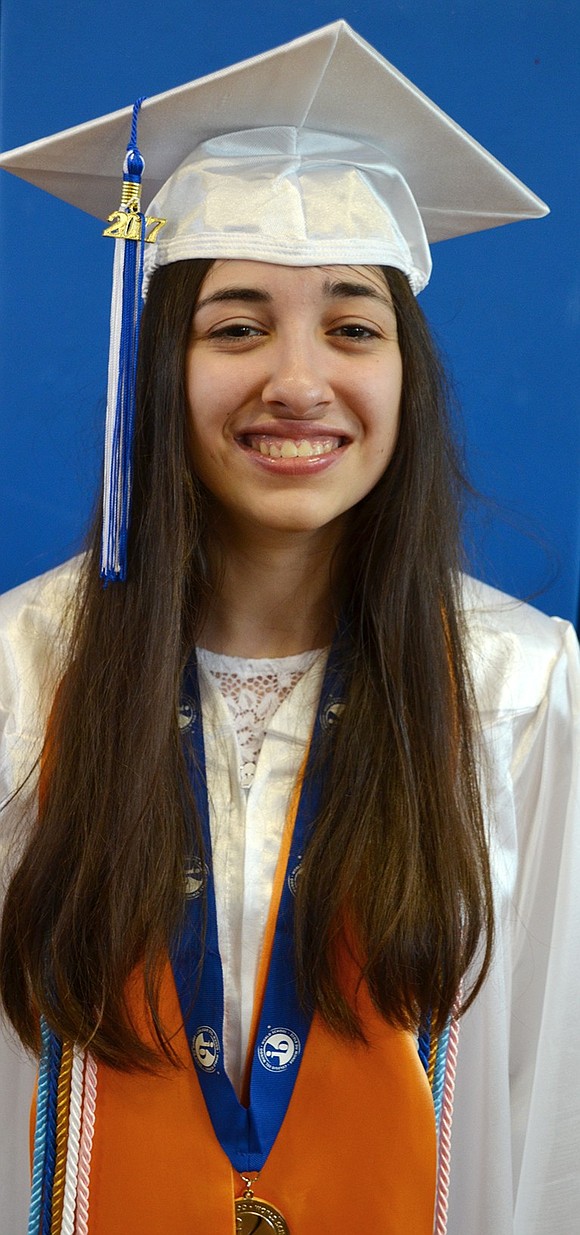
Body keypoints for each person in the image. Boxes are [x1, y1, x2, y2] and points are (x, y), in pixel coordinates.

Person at [0, 21, 578, 1235]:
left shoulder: (520, 687)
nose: (299, 380)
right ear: (161, 365)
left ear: (405, 374)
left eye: (353, 326)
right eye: (237, 324)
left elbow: (553, 1087)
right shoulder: (16, 673)